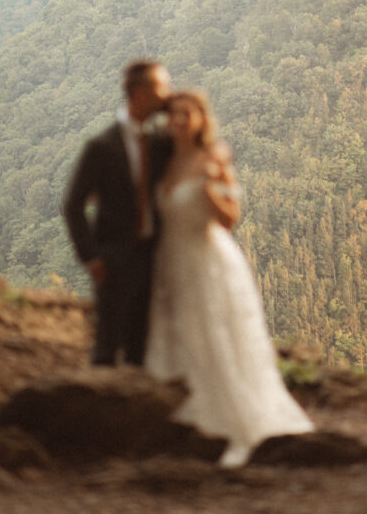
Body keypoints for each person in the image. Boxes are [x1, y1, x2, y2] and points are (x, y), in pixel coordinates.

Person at [145, 90, 314, 468]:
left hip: (206, 260)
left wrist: (208, 189)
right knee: (177, 336)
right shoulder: (165, 160)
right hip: (169, 262)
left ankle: (230, 424)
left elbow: (230, 217)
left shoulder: (213, 158)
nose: (177, 120)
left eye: (186, 113)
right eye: (171, 114)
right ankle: (184, 424)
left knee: (213, 337)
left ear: (202, 118)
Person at [63, 60, 172, 366]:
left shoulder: (161, 143)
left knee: (142, 346)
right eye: (162, 87)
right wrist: (91, 257)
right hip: (113, 260)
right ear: (139, 94)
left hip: (152, 258)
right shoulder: (101, 146)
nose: (168, 94)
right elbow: (73, 204)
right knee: (106, 347)